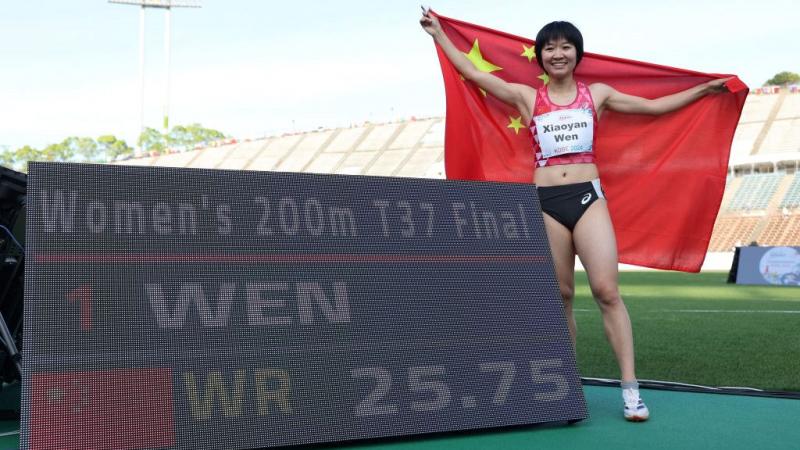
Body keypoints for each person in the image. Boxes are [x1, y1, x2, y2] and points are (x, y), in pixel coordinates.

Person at [420, 10, 730, 422]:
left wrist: (702, 92)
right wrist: (439, 34)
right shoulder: (527, 97)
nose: (558, 53)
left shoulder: (597, 94)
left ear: (577, 54)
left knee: (607, 291)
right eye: (550, 47)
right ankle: (566, 388)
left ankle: (631, 391)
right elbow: (475, 76)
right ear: (541, 56)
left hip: (587, 197)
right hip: (546, 201)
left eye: (566, 46)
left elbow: (652, 108)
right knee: (561, 295)